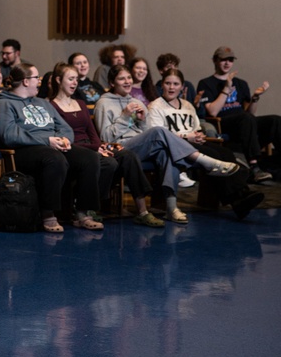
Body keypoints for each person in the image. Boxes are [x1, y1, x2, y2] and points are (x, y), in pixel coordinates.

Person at [95, 64, 241, 224]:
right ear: (112, 83)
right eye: (121, 78)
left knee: (167, 152)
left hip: (140, 145)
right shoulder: (104, 103)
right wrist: (124, 116)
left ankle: (171, 208)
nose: (127, 81)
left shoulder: (136, 101)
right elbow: (106, 136)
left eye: (129, 77)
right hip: (120, 148)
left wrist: (142, 121)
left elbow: (142, 131)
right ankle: (207, 162)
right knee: (159, 131)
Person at [0, 63, 103, 233]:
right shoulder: (4, 105)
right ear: (26, 81)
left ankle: (82, 213)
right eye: (37, 78)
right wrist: (46, 140)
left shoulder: (43, 103)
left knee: (89, 158)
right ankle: (48, 214)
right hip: (22, 150)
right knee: (54, 159)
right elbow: (9, 135)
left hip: (51, 146)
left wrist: (63, 139)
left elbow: (64, 127)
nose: (40, 81)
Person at [48, 63, 157, 228]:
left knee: (127, 155)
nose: (74, 83)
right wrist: (95, 148)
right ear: (58, 80)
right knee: (109, 162)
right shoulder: (51, 105)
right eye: (70, 79)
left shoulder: (80, 103)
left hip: (92, 146)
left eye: (76, 79)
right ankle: (86, 210)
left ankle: (142, 211)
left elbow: (92, 132)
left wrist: (100, 146)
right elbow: (63, 136)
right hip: (72, 148)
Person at [147, 69, 265, 219]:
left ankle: (240, 196)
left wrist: (199, 135)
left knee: (225, 152)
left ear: (182, 87)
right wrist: (186, 137)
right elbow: (157, 134)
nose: (171, 87)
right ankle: (237, 199)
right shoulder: (155, 106)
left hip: (191, 144)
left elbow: (195, 128)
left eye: (175, 84)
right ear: (161, 85)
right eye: (167, 83)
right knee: (214, 155)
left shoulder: (187, 105)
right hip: (172, 146)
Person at [197, 46, 281, 183]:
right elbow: (212, 111)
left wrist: (255, 98)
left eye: (230, 60)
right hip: (222, 122)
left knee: (275, 120)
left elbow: (250, 113)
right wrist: (226, 88)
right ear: (215, 61)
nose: (227, 63)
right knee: (245, 119)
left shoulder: (241, 83)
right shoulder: (206, 83)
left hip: (244, 122)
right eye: (223, 59)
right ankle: (254, 166)